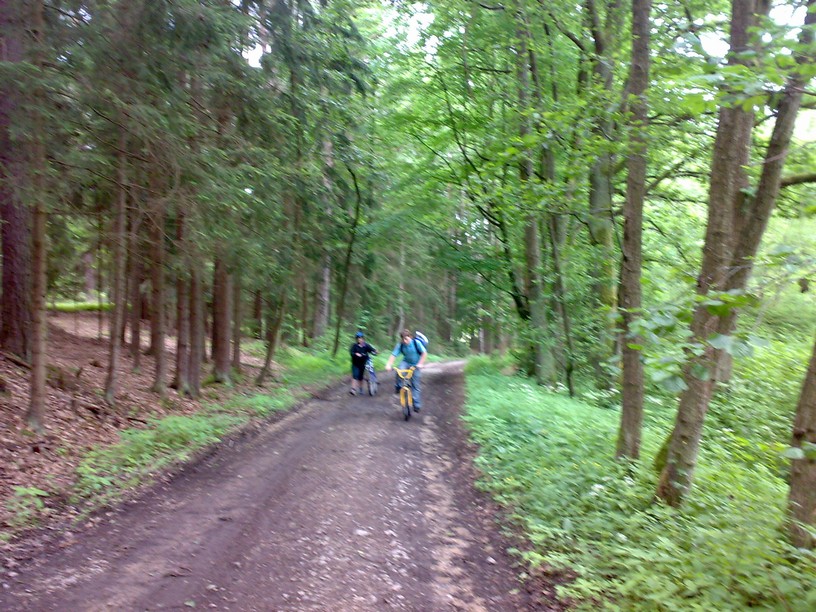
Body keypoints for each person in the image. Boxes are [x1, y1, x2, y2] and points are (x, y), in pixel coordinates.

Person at [385, 329, 428, 412]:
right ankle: (398, 387)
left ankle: (416, 404)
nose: (405, 341)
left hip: (415, 364)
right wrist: (389, 364)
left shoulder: (416, 343)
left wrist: (420, 364)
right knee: (399, 371)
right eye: (403, 339)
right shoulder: (400, 345)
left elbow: (424, 353)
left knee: (415, 384)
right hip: (405, 362)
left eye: (406, 339)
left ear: (410, 337)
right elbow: (393, 355)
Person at [349, 331, 377, 396]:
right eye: (358, 338)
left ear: (363, 338)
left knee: (360, 377)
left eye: (361, 338)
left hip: (363, 364)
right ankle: (353, 389)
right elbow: (351, 353)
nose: (360, 339)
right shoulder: (354, 346)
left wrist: (375, 351)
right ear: (356, 339)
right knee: (355, 375)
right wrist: (356, 354)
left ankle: (361, 389)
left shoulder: (366, 345)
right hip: (355, 364)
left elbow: (372, 350)